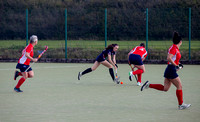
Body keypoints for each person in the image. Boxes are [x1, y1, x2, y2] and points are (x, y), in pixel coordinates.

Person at [141, 32, 191, 110]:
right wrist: (176, 65)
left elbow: (173, 59)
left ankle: (149, 85)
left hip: (170, 69)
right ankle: (181, 104)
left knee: (165, 88)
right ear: (180, 41)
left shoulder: (175, 48)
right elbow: (169, 58)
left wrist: (178, 64)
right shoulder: (174, 48)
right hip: (171, 69)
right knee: (179, 86)